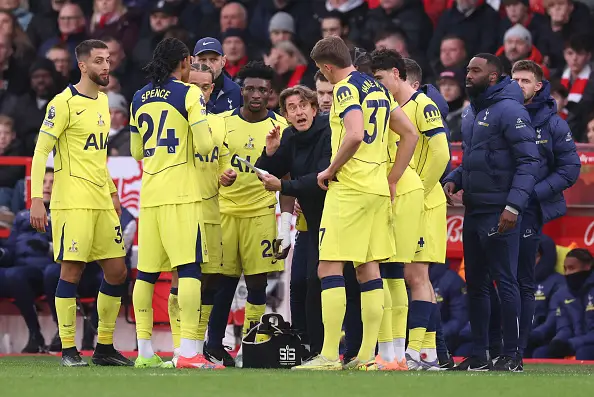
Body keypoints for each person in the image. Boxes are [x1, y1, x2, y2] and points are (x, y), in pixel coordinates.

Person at [293, 36, 418, 371]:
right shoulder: (377, 88)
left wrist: (330, 169)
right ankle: (366, 356)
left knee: (328, 267)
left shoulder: (347, 88)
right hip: (377, 189)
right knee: (368, 269)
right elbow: (410, 134)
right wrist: (391, 178)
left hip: (350, 189)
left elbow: (354, 133)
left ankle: (330, 355)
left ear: (326, 66)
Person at [29, 39, 132, 367]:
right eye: (99, 61)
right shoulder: (63, 103)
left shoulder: (102, 101)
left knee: (117, 272)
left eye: (109, 60)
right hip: (71, 202)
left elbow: (97, 156)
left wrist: (113, 191)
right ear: (83, 66)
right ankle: (69, 349)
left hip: (101, 201)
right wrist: (36, 199)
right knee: (71, 272)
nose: (106, 66)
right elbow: (40, 152)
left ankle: (103, 346)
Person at [443, 53, 540, 371]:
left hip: (500, 210)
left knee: (505, 281)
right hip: (474, 208)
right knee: (476, 283)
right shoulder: (472, 111)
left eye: (475, 70)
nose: (467, 75)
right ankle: (481, 353)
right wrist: (454, 179)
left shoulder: (511, 110)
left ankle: (512, 355)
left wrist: (513, 206)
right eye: (467, 69)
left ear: (494, 77)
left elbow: (529, 161)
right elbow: (473, 156)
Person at [129, 37, 217, 370]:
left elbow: (137, 153)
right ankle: (190, 353)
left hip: (150, 195)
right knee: (190, 269)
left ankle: (145, 352)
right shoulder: (189, 93)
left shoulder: (138, 97)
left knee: (147, 275)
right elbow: (206, 144)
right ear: (182, 63)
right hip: (182, 195)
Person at [487, 60, 580, 369]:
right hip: (495, 208)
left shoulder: (554, 123)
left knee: (522, 281)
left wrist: (529, 195)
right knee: (497, 279)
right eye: (515, 79)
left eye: (526, 80)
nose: (519, 85)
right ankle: (494, 349)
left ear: (538, 85)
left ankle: (517, 352)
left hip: (527, 212)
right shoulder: (499, 112)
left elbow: (570, 169)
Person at [204, 61, 290, 368]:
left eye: (262, 90)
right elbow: (205, 163)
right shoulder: (220, 122)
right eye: (251, 88)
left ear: (271, 93)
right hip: (225, 211)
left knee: (257, 284)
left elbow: (288, 172)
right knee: (220, 282)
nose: (256, 94)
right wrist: (218, 176)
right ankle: (213, 345)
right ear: (242, 91)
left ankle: (250, 346)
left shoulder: (281, 126)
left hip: (261, 213)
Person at [371, 50, 450, 371]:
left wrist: (421, 189)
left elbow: (442, 153)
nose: (377, 85)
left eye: (379, 79)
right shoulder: (392, 108)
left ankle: (415, 350)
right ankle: (427, 352)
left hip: (422, 201)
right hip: (404, 200)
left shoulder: (422, 105)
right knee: (417, 275)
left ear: (396, 73)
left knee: (414, 274)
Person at [254, 85, 331, 358]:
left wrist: (286, 188)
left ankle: (328, 349)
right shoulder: (288, 136)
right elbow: (267, 174)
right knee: (303, 282)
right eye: (291, 108)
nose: (298, 112)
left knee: (319, 281)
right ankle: (306, 346)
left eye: (302, 106)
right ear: (286, 116)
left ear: (313, 108)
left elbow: (323, 178)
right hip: (311, 218)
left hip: (334, 216)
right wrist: (271, 152)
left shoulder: (329, 131)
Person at [165, 63, 230, 363]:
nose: (200, 92)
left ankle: (198, 345)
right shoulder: (175, 121)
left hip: (213, 208)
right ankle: (181, 346)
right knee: (183, 276)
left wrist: (225, 175)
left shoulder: (219, 123)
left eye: (205, 87)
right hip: (183, 206)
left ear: (212, 89)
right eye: (194, 86)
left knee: (211, 279)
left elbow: (223, 163)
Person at [532, 248, 594, 360]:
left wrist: (571, 344)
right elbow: (564, 328)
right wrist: (558, 342)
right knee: (541, 353)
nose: (567, 273)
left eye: (571, 268)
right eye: (565, 269)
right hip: (575, 343)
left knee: (584, 352)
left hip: (586, 345)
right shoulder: (561, 294)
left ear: (587, 266)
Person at [526, 235, 567, 357]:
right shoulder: (515, 281)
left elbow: (555, 318)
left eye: (535, 256)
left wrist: (532, 335)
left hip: (543, 339)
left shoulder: (559, 283)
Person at [193, 37, 241, 114]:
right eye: (202, 60)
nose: (208, 65)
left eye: (213, 60)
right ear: (193, 61)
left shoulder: (236, 92)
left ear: (223, 61)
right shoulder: (184, 90)